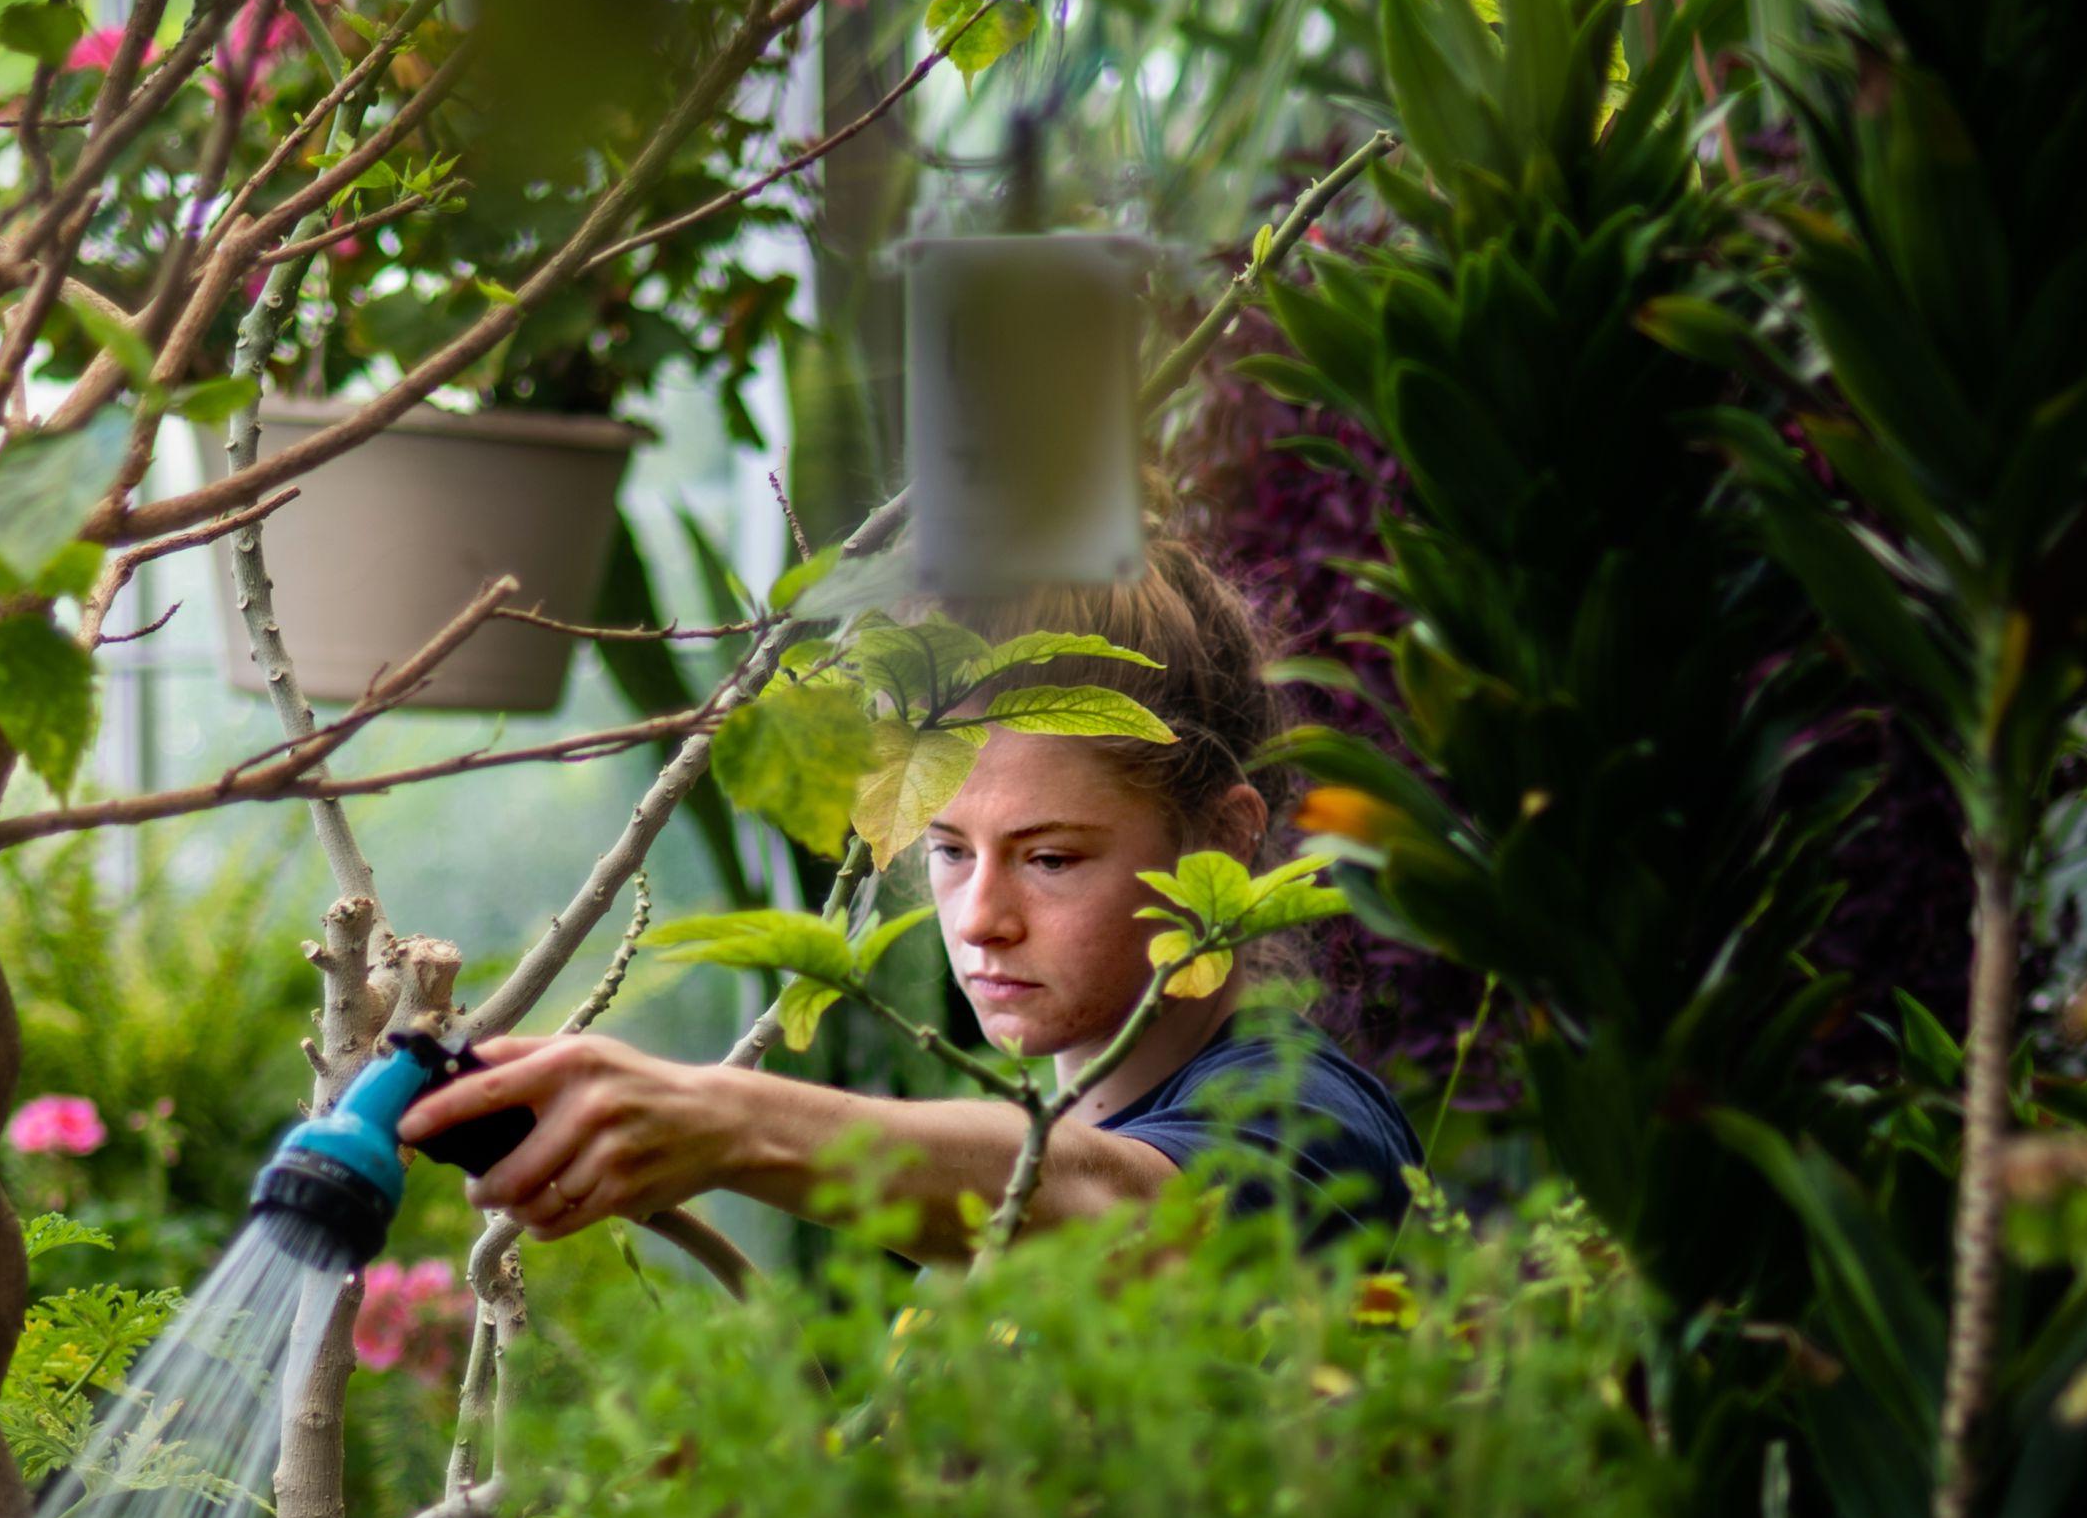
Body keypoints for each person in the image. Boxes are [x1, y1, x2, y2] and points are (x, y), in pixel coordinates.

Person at [399, 538, 1425, 1261]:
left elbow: (1124, 1209)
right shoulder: (1021, 1150)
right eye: (946, 849)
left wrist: (725, 1121)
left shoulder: (1314, 1124)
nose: (979, 917)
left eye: (1051, 858)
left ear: (1226, 838)